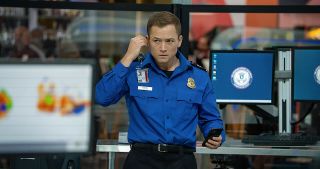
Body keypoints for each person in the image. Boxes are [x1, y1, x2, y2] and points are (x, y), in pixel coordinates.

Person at [95, 11, 225, 169]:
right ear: (148, 41)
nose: (163, 48)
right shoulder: (133, 71)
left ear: (179, 41)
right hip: (141, 160)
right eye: (157, 41)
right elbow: (102, 97)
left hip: (182, 161)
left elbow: (211, 119)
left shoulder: (199, 77)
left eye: (169, 41)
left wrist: (215, 135)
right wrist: (128, 57)